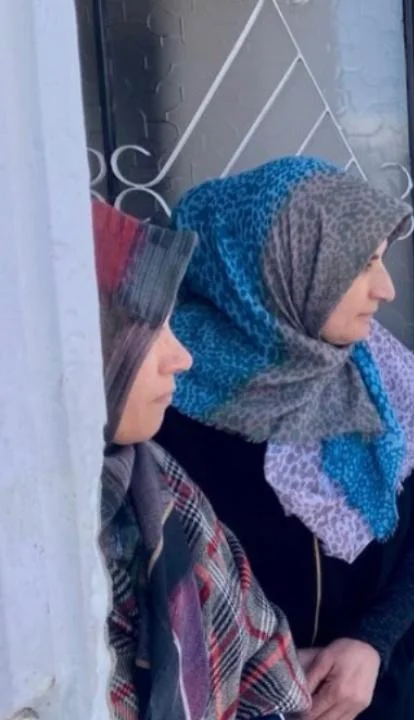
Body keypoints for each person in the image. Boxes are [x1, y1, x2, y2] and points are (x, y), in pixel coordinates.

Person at [152, 156, 414, 720]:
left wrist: (373, 642)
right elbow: (156, 590)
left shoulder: (377, 374)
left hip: (366, 697)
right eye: (362, 264)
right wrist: (261, 671)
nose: (386, 288)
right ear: (285, 270)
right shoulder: (167, 395)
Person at [91, 198, 310, 719]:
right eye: (150, 328)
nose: (183, 357)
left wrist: (372, 641)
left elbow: (255, 635)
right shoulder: (188, 423)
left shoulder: (157, 481)